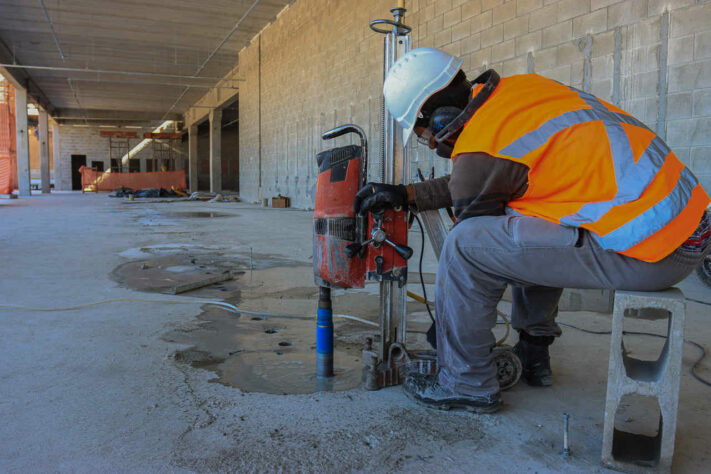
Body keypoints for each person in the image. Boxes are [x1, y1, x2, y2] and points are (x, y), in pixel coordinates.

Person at [353, 47, 711, 413]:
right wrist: (406, 195)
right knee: (525, 222)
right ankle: (534, 352)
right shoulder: (517, 93)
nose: (429, 141)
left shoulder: (481, 147)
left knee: (467, 247)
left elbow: (477, 203)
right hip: (685, 227)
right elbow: (490, 174)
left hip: (655, 252)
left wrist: (450, 325)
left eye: (423, 131)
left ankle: (465, 382)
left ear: (440, 119)